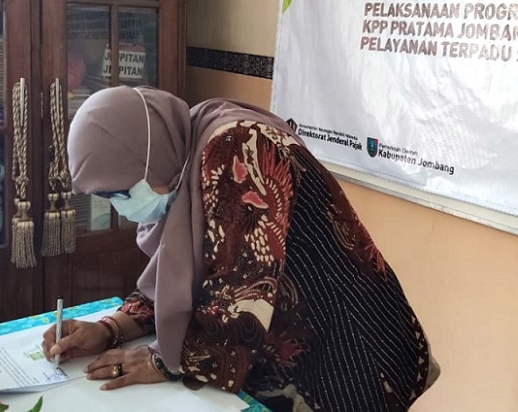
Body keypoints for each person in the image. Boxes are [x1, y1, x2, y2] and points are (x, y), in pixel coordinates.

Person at [41, 86, 439, 412]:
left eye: (120, 193)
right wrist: (110, 329)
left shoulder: (238, 146)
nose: (120, 209)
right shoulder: (184, 159)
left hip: (349, 352)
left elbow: (242, 295)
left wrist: (162, 360)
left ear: (149, 159)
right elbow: (178, 281)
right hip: (287, 348)